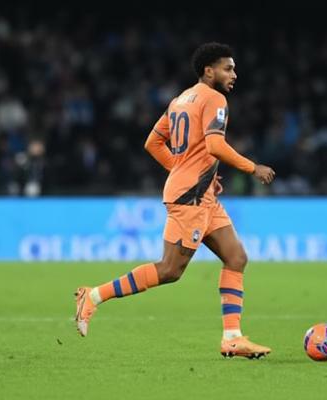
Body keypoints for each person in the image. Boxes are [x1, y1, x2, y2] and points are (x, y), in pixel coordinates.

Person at [74, 42, 276, 359]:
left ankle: (232, 338)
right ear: (208, 70)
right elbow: (215, 146)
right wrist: (253, 168)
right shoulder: (215, 99)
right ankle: (94, 296)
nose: (234, 74)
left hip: (201, 195)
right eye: (227, 68)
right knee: (170, 270)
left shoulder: (181, 99)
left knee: (236, 257)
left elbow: (153, 142)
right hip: (189, 197)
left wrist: (186, 170)